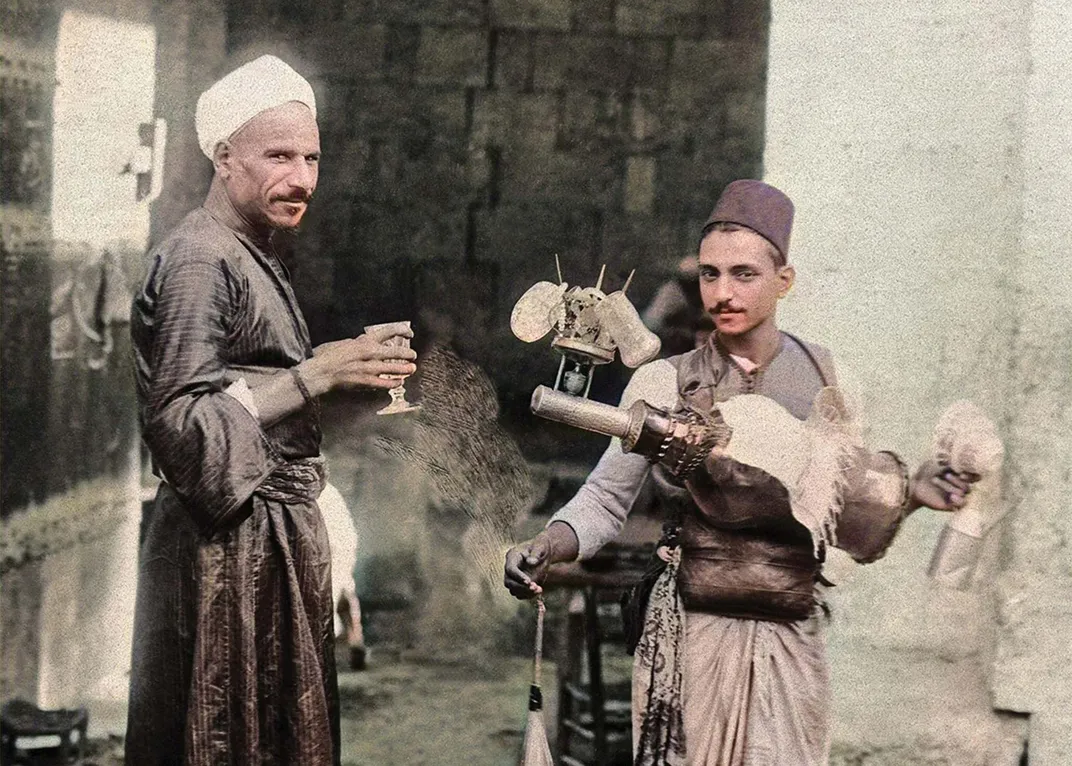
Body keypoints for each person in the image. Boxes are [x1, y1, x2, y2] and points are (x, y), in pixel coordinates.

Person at [503, 179, 978, 765]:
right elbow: (604, 499)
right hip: (689, 637)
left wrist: (911, 495)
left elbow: (840, 509)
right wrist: (549, 542)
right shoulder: (663, 381)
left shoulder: (830, 379)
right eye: (710, 274)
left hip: (788, 636)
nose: (722, 292)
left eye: (744, 274)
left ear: (785, 280)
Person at [126, 55, 416, 766]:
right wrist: (317, 373)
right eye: (280, 155)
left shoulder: (251, 253)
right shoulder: (199, 260)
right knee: (221, 737)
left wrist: (331, 366)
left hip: (266, 550)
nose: (304, 178)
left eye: (312, 157)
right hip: (221, 557)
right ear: (224, 158)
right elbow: (185, 429)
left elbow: (244, 388)